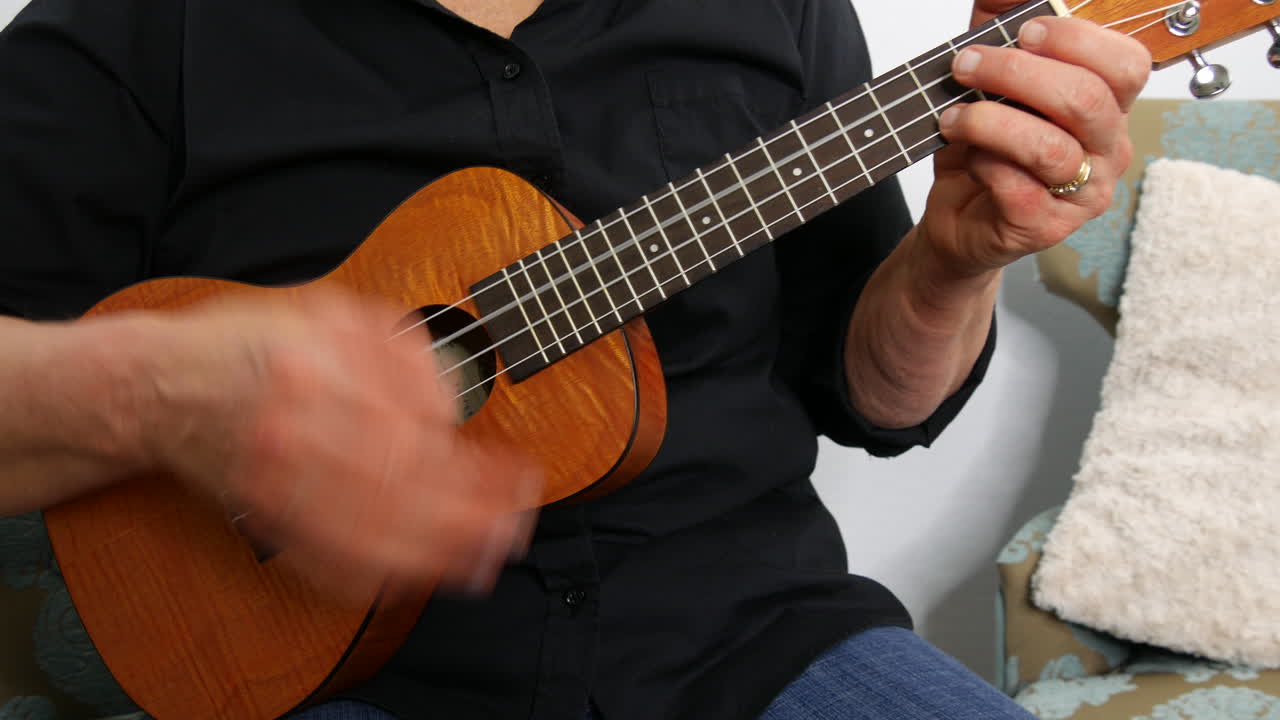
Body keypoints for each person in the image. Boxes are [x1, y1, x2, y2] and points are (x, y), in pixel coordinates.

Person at [0, 0, 1148, 717]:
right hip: (325, 671)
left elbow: (874, 399)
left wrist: (954, 261)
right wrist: (168, 394)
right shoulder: (128, 28)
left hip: (748, 643)